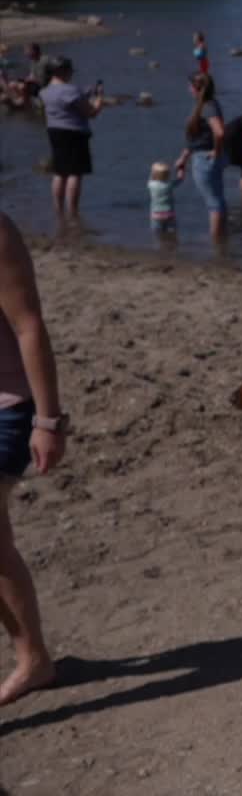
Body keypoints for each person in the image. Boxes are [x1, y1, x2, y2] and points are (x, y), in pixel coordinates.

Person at [0, 211, 69, 706]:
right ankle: (34, 657)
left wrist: (48, 421)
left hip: (7, 408)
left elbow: (29, 326)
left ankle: (33, 659)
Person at [39, 57, 106, 218]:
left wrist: (86, 91)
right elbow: (90, 113)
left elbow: (67, 96)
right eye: (70, 71)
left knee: (59, 172)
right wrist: (99, 99)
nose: (71, 74)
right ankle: (73, 213)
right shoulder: (71, 91)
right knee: (74, 173)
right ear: (63, 71)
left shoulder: (45, 91)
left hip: (54, 132)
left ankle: (58, 210)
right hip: (74, 133)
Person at [172, 71, 229, 238]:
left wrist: (216, 151)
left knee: (214, 203)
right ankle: (222, 239)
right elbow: (198, 138)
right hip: (208, 156)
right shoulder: (208, 104)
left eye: (190, 85)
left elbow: (219, 133)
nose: (188, 88)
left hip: (205, 159)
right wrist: (183, 158)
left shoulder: (207, 107)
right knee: (218, 200)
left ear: (196, 88)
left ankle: (217, 242)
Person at [148, 161, 183, 232]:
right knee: (171, 232)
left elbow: (151, 176)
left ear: (154, 174)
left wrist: (154, 169)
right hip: (169, 214)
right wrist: (181, 168)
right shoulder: (169, 185)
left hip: (156, 215)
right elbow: (180, 179)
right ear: (168, 175)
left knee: (158, 233)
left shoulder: (151, 185)